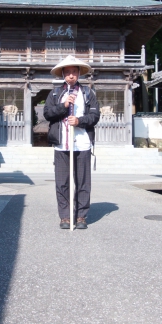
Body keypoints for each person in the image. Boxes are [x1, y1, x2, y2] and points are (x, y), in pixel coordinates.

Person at [43, 56, 100, 230]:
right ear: (62, 74)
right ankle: (65, 217)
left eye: (74, 72)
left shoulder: (88, 93)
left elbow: (95, 116)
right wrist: (63, 105)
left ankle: (81, 216)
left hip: (82, 143)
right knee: (62, 182)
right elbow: (47, 113)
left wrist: (80, 121)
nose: (70, 76)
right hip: (62, 144)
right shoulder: (54, 93)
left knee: (83, 182)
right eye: (67, 72)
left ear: (79, 73)